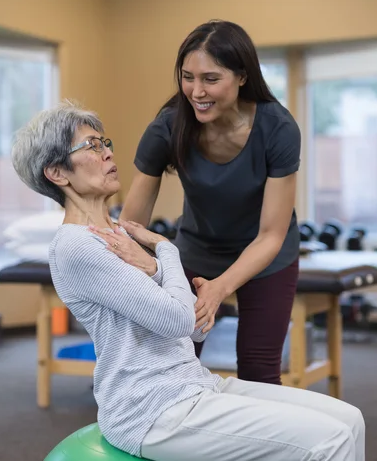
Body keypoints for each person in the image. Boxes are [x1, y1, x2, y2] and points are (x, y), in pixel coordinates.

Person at [10, 99, 366, 461]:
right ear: (57, 173)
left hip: (195, 386)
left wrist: (159, 270)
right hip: (151, 409)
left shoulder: (121, 235)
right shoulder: (77, 245)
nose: (106, 153)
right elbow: (179, 319)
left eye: (105, 143)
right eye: (91, 145)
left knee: (350, 419)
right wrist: (167, 251)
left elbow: (195, 328)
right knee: (330, 439)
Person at [120, 19, 301, 385]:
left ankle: (260, 442)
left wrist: (220, 287)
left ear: (242, 76)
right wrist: (129, 270)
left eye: (211, 79)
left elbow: (270, 235)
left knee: (258, 371)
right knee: (172, 366)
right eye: (188, 77)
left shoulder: (277, 129)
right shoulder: (168, 127)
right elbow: (131, 224)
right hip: (195, 253)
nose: (196, 91)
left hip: (266, 258)